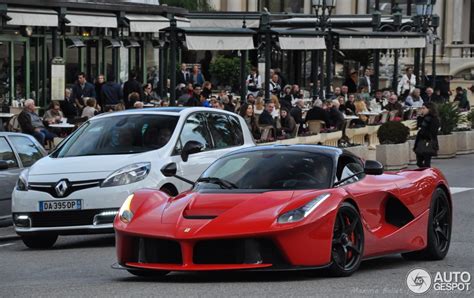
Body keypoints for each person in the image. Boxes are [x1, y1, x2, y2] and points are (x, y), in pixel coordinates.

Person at [414, 102, 440, 168]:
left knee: (427, 162)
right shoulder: (423, 118)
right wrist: (420, 116)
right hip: (420, 141)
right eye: (422, 108)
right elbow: (419, 126)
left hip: (428, 142)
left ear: (430, 109)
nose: (422, 110)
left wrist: (423, 132)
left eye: (424, 108)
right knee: (419, 162)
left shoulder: (434, 119)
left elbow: (433, 132)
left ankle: (427, 174)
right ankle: (424, 171)